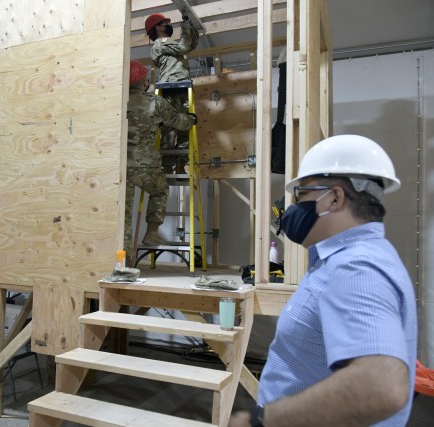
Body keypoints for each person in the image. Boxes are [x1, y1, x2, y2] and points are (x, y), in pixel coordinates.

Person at [229, 135, 417, 427]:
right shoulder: (342, 259)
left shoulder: (356, 267)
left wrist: (262, 420)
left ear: (334, 197)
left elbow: (380, 387)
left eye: (301, 194)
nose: (291, 207)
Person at [125, 60, 196, 255]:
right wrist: (192, 119)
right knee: (160, 190)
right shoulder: (154, 102)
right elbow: (179, 122)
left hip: (120, 168)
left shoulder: (118, 102)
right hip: (145, 167)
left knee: (123, 216)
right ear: (143, 82)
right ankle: (152, 232)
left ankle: (123, 262)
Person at [145, 11, 200, 160]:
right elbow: (184, 47)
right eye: (164, 23)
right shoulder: (160, 42)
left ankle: (181, 167)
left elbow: (190, 44)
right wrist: (186, 25)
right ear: (157, 28)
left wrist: (192, 27)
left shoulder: (169, 43)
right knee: (170, 129)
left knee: (184, 128)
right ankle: (168, 167)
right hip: (171, 85)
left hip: (179, 84)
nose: (168, 25)